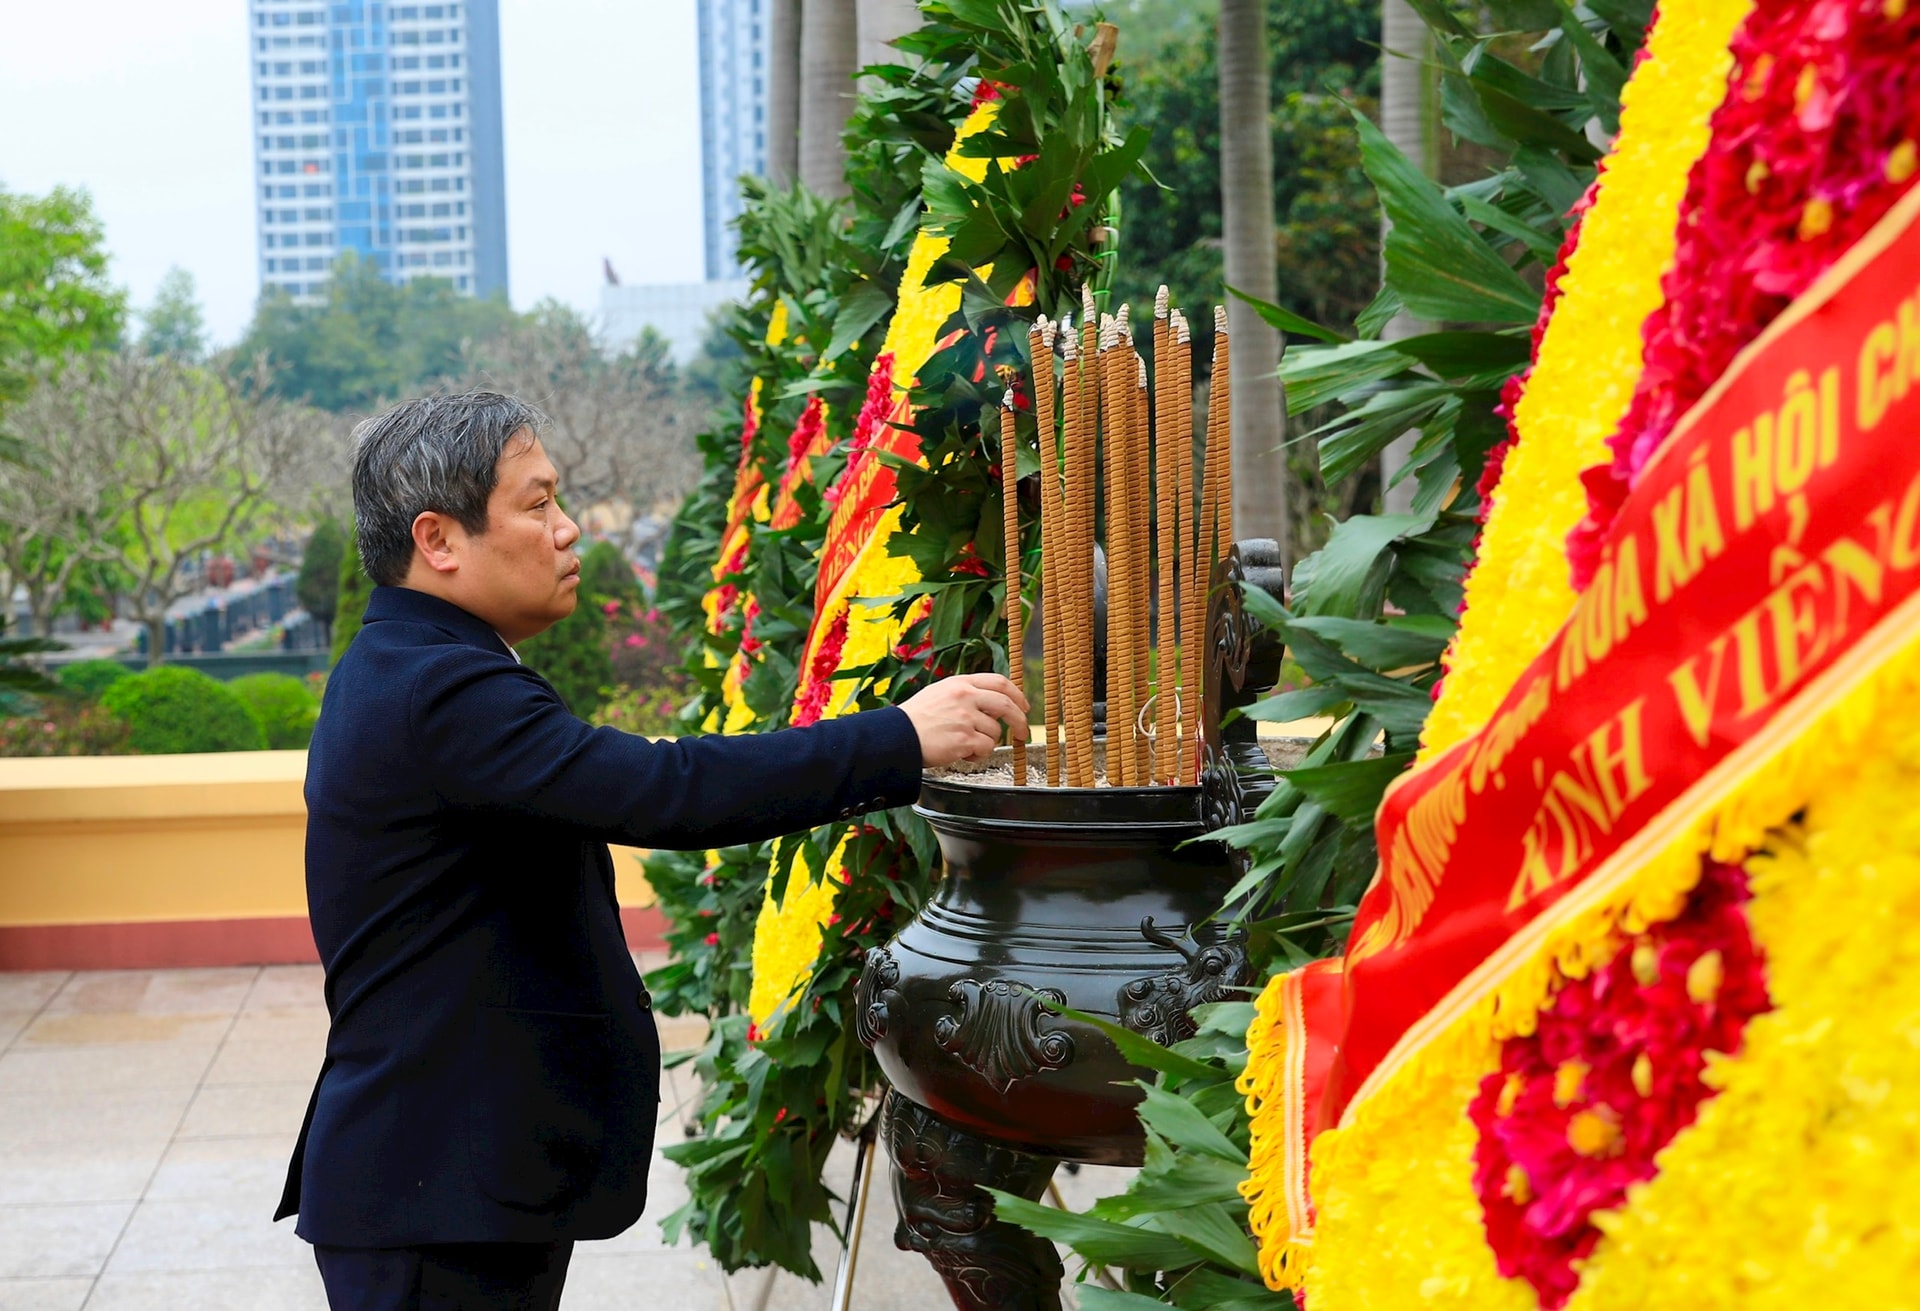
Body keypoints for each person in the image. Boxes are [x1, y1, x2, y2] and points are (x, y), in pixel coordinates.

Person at [276, 393, 1027, 1310]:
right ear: (439, 539)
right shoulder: (438, 687)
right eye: (538, 503)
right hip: (436, 1185)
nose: (566, 530)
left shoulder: (417, 664)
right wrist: (899, 738)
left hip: (451, 1176)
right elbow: (663, 790)